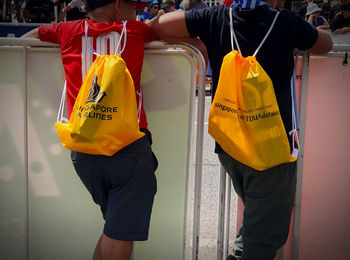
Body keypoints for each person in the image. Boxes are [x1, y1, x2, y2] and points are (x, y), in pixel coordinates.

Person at [149, 0, 333, 259]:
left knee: (257, 219)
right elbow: (326, 44)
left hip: (229, 141)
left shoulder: (215, 17)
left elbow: (160, 24)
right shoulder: (285, 22)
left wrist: (201, 46)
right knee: (263, 236)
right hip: (272, 148)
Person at [22, 0, 161, 259]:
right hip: (127, 146)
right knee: (120, 234)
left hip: (84, 150)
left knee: (114, 229)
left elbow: (28, 38)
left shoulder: (67, 30)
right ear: (118, 6)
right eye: (134, 6)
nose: (137, 11)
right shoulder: (135, 30)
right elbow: (167, 29)